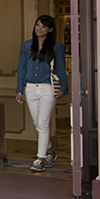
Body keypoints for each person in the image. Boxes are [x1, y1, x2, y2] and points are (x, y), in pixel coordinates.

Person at [15, 14, 68, 172]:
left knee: (43, 124)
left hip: (47, 88)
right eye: (37, 25)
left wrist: (64, 88)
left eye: (43, 26)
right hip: (30, 87)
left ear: (50, 29)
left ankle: (40, 159)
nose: (39, 28)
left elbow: (60, 68)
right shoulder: (26, 46)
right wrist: (19, 89)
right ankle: (50, 152)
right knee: (37, 124)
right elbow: (21, 68)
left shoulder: (56, 46)